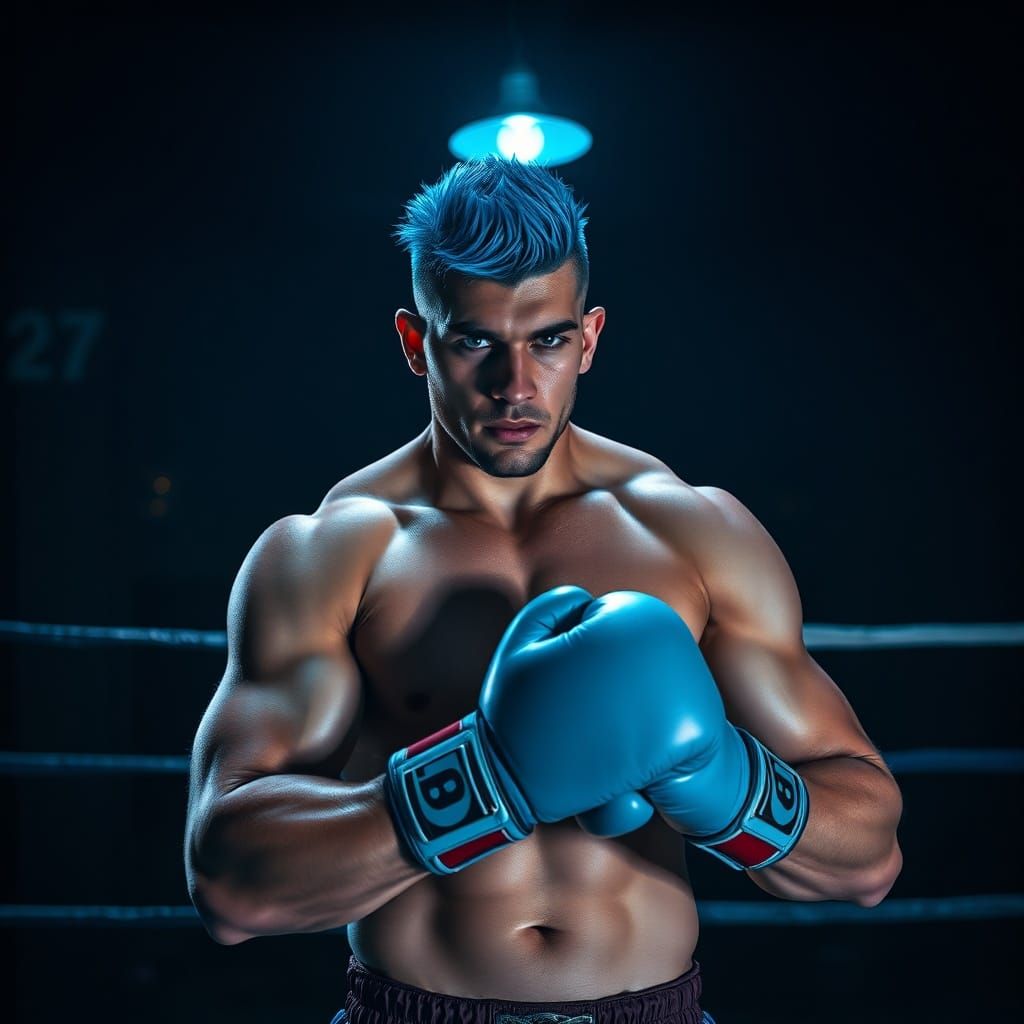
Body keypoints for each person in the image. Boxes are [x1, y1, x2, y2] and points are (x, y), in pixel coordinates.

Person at [184, 156, 903, 1024]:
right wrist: (488, 777)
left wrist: (721, 778)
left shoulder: (692, 532)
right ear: (417, 343)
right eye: (474, 341)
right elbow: (231, 884)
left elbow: (867, 858)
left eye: (549, 340)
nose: (515, 385)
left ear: (591, 337)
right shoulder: (331, 552)